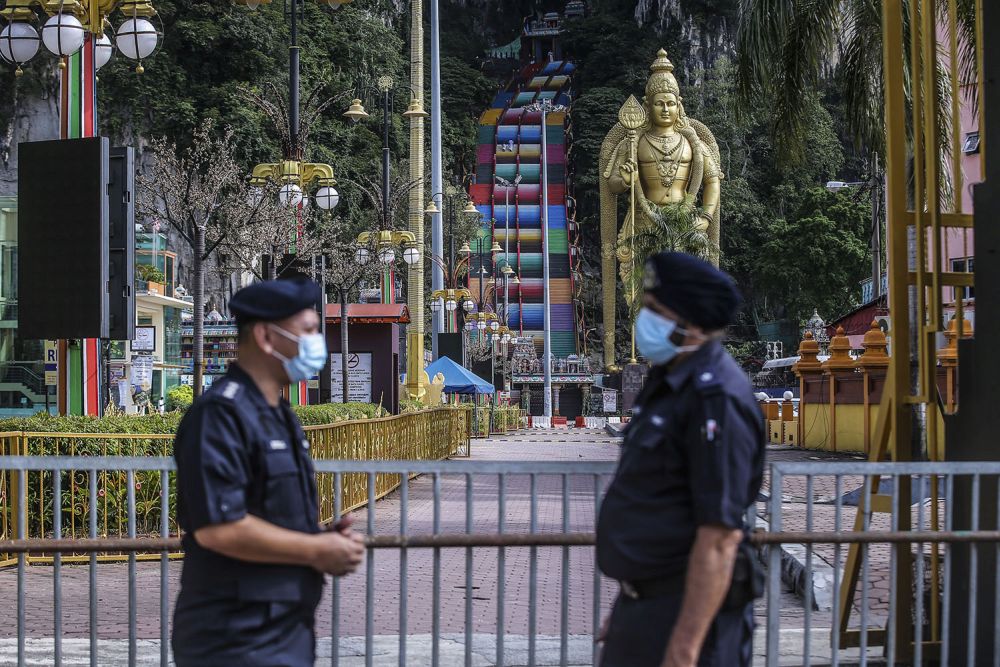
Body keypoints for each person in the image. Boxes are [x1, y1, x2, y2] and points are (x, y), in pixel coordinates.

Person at [171, 277, 365, 666]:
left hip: (285, 626)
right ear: (265, 337)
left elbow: (265, 510)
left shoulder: (278, 415)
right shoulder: (219, 415)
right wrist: (315, 550)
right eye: (308, 331)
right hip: (234, 635)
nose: (316, 342)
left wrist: (318, 536)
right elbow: (219, 528)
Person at [596, 252, 765, 667]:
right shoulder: (671, 383)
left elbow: (719, 536)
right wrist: (628, 610)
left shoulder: (717, 399)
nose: (645, 321)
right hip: (646, 607)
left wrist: (685, 649)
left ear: (688, 325)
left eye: (655, 312)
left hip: (688, 619)